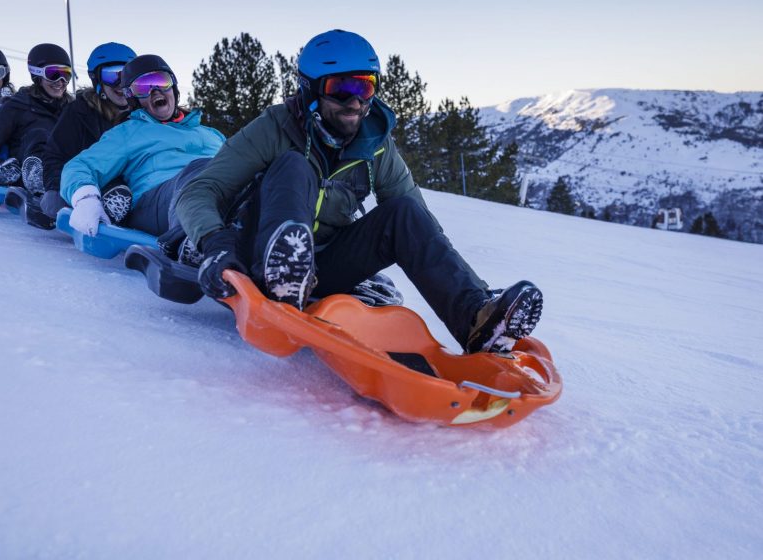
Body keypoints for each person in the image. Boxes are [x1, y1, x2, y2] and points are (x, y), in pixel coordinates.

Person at [175, 29, 543, 354]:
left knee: (404, 212)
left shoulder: (376, 144)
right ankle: (282, 271)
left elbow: (421, 226)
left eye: (364, 86)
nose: (356, 102)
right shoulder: (274, 128)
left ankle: (477, 320)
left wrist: (471, 287)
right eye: (342, 88)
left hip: (322, 267)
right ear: (310, 90)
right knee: (292, 165)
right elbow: (200, 191)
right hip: (257, 250)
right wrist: (215, 242)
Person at [60, 54, 224, 242]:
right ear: (133, 99)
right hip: (159, 201)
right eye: (143, 87)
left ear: (174, 87)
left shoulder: (211, 133)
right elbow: (79, 165)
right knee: (200, 171)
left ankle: (259, 243)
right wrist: (85, 199)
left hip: (218, 191)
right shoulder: (128, 132)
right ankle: (194, 240)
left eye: (161, 81)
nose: (155, 91)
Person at [39, 42, 137, 219]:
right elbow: (56, 154)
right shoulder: (79, 112)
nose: (121, 84)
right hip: (87, 185)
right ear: (97, 80)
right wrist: (55, 187)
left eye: (127, 76)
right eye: (111, 76)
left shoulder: (141, 117)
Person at [0, 43, 73, 200]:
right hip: (32, 169)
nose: (60, 81)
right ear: (36, 75)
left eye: (66, 75)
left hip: (66, 172)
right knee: (40, 135)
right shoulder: (17, 105)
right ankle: (34, 178)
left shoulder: (73, 110)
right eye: (53, 74)